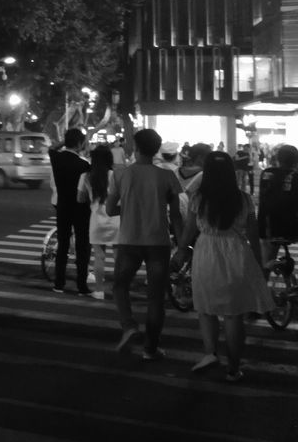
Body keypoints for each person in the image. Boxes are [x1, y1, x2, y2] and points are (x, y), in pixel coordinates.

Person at [173, 151, 274, 382]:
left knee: (206, 309)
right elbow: (253, 234)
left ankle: (210, 353)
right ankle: (234, 369)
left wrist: (180, 251)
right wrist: (258, 265)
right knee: (233, 315)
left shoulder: (198, 198)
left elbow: (189, 231)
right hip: (236, 253)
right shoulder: (244, 199)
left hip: (206, 252)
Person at [105, 128, 184, 360]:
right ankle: (150, 349)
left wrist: (128, 209)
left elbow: (110, 209)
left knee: (119, 286)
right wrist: (181, 247)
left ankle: (129, 325)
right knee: (156, 297)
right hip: (158, 243)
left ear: (135, 149)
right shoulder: (167, 177)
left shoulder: (121, 175)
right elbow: (176, 216)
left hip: (129, 240)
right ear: (156, 149)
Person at [49, 128, 92, 294]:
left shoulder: (57, 159)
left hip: (62, 206)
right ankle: (82, 285)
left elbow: (52, 148)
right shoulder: (84, 165)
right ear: (80, 144)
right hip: (80, 209)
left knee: (63, 245)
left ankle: (59, 283)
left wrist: (65, 141)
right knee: (82, 247)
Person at [79, 144, 117, 299]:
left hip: (96, 219)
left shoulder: (86, 176)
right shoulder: (115, 175)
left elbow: (80, 198)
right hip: (115, 218)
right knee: (119, 257)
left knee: (99, 256)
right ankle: (119, 291)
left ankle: (99, 290)